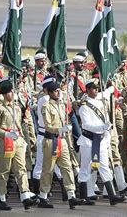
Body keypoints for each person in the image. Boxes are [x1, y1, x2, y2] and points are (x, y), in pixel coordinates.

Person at [0, 78, 38, 210]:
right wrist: (6, 134)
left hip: (17, 140)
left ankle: (24, 196)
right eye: (10, 92)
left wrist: (22, 139)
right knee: (4, 170)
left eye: (13, 91)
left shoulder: (17, 108)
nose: (12, 94)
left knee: (21, 168)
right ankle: (1, 198)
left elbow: (20, 125)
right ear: (5, 93)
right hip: (5, 141)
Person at [37, 81, 85, 209]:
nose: (59, 93)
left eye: (59, 91)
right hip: (50, 140)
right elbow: (48, 126)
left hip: (62, 140)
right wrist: (60, 129)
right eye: (56, 91)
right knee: (48, 169)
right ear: (51, 93)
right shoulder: (46, 106)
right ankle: (42, 197)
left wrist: (64, 131)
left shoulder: (62, 105)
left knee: (67, 167)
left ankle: (71, 196)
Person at [77, 79, 125, 206]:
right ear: (87, 90)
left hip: (101, 140)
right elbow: (86, 125)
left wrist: (106, 132)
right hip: (88, 141)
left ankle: (112, 196)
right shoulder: (84, 107)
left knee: (104, 166)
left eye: (97, 88)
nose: (96, 90)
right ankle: (83, 197)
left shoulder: (100, 102)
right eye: (93, 88)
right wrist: (102, 127)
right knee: (85, 168)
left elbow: (106, 94)